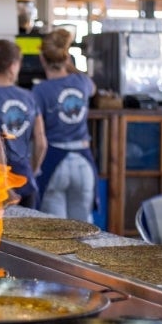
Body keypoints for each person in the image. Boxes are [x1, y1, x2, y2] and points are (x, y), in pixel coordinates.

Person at [0, 39, 47, 208]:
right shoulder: (30, 97)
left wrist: (4, 183)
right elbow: (41, 142)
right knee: (29, 233)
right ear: (13, 65)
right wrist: (32, 172)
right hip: (26, 180)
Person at [32, 28, 97, 222]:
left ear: (42, 59)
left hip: (54, 161)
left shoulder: (40, 90)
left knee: (56, 232)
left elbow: (37, 134)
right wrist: (70, 66)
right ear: (66, 57)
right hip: (83, 162)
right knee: (85, 230)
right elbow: (93, 89)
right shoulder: (82, 81)